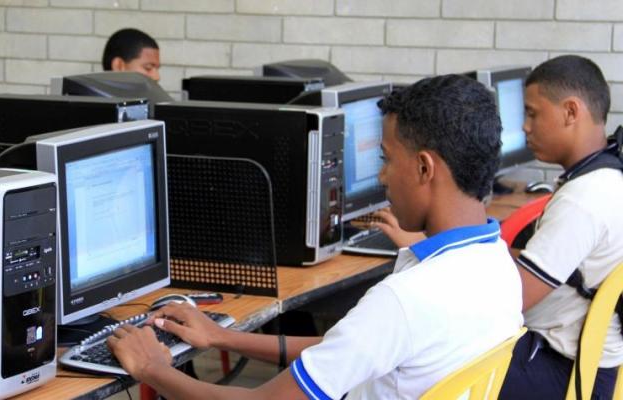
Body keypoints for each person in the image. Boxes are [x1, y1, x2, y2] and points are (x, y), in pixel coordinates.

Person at [106, 75, 524, 399]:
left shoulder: (405, 300)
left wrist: (151, 369)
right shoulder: (497, 264)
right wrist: (223, 336)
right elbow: (349, 346)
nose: (381, 176)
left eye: (386, 159)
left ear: (424, 168)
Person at [498, 55, 623, 399]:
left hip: (563, 372)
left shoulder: (584, 198)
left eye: (532, 113)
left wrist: (438, 260)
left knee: (427, 365)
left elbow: (511, 300)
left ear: (570, 111)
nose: (525, 127)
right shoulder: (607, 177)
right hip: (587, 366)